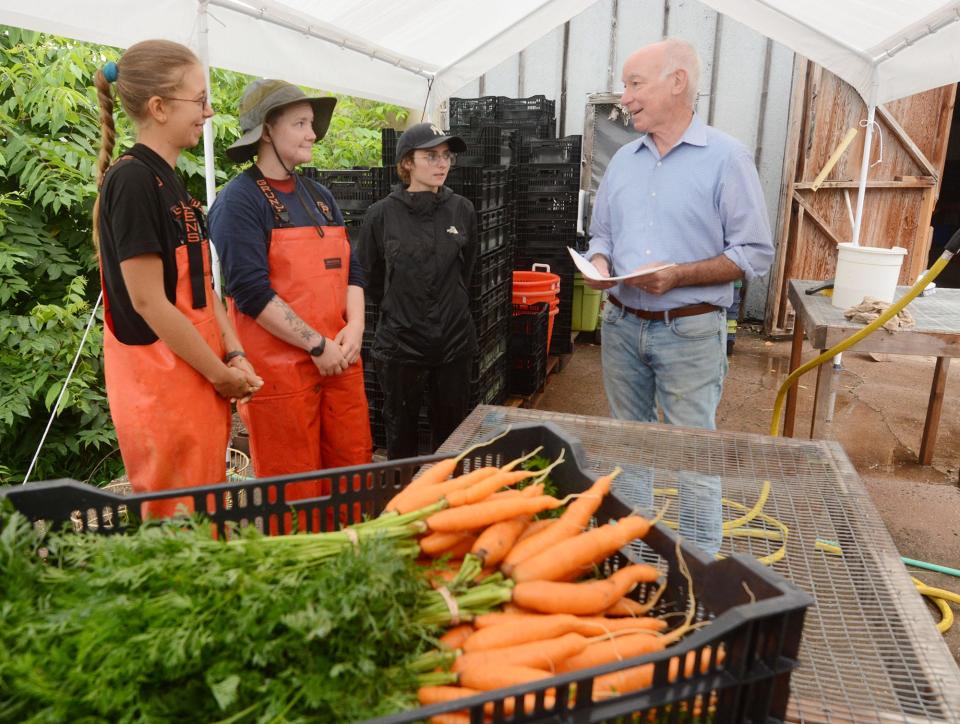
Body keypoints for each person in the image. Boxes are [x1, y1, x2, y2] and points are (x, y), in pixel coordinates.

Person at [584, 38, 774, 554]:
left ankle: (699, 573)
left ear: (677, 82)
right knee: (630, 447)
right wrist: (600, 263)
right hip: (621, 325)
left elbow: (754, 253)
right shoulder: (623, 160)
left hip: (690, 330)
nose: (624, 97)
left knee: (692, 458)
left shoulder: (727, 158)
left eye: (634, 84)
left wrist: (680, 275)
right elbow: (601, 234)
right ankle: (634, 565)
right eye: (625, 85)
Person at [93, 40, 263, 518]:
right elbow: (148, 302)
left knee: (203, 514)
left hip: (200, 376)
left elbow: (201, 285)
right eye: (200, 99)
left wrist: (234, 353)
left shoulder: (171, 179)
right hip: (163, 387)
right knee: (175, 528)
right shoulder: (130, 181)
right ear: (159, 107)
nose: (208, 112)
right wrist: (219, 373)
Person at [209, 79, 371, 494]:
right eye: (300, 123)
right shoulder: (239, 202)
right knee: (294, 494)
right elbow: (250, 292)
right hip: (281, 380)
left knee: (353, 479)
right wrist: (316, 345)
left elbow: (352, 271)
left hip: (341, 362)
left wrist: (354, 329)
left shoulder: (319, 196)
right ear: (266, 131)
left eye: (311, 124)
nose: (312, 134)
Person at [357, 123, 477, 459]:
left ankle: (445, 504)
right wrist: (403, 309)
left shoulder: (462, 210)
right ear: (407, 162)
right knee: (400, 433)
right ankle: (402, 500)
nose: (442, 164)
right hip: (401, 345)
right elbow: (371, 277)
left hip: (454, 341)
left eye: (446, 156)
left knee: (452, 434)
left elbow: (468, 271)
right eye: (431, 156)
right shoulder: (381, 215)